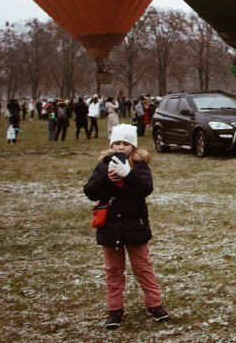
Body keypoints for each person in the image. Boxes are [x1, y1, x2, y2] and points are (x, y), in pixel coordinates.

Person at [83, 124, 169, 329]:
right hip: (110, 227)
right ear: (111, 144)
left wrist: (128, 174)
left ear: (133, 146)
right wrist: (108, 179)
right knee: (113, 269)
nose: (121, 147)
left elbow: (146, 189)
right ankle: (115, 310)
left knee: (143, 266)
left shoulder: (140, 165)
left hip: (135, 225)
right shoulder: (104, 165)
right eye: (117, 143)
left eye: (126, 143)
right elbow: (90, 191)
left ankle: (155, 304)